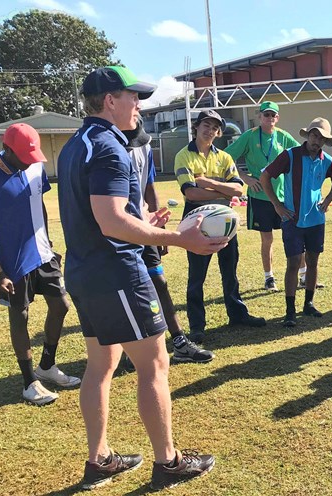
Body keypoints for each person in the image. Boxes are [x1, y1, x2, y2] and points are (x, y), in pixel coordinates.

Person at [58, 65, 217, 490]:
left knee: (102, 364)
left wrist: (143, 217)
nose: (140, 105)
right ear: (110, 100)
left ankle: (100, 459)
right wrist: (177, 237)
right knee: (155, 364)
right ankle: (168, 462)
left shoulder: (78, 144)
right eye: (133, 96)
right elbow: (110, 222)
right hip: (117, 272)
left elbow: (101, 214)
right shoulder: (110, 147)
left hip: (85, 271)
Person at [0, 123, 80, 406]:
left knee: (61, 305)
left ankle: (47, 365)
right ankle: (29, 381)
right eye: (24, 155)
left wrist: (48, 243)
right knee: (19, 316)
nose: (30, 161)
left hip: (43, 254)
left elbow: (39, 205)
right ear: (6, 149)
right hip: (13, 263)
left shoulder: (35, 168)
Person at [123, 119, 215, 364]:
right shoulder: (110, 146)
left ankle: (179, 341)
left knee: (158, 282)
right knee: (126, 286)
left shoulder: (143, 145)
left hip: (144, 224)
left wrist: (158, 225)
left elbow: (149, 185)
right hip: (119, 229)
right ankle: (131, 348)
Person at [175, 110, 267, 344]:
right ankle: (197, 326)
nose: (210, 130)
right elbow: (191, 192)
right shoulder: (184, 155)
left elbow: (238, 190)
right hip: (196, 219)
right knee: (197, 274)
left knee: (230, 268)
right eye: (206, 125)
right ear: (196, 127)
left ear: (218, 133)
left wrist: (205, 181)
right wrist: (220, 189)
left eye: (215, 128)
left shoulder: (225, 157)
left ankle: (237, 314)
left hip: (225, 219)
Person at [260, 117, 332, 327]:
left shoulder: (327, 160)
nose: (317, 141)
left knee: (313, 262)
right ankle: (290, 311)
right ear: (308, 135)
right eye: (315, 135)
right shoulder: (290, 156)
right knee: (294, 263)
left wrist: (327, 201)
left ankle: (309, 304)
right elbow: (265, 177)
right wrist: (277, 205)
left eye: (322, 138)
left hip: (316, 220)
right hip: (293, 220)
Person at [225, 101, 305, 292]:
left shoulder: (283, 137)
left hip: (283, 197)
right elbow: (226, 157)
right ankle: (269, 278)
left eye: (273, 115)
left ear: (277, 118)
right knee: (267, 239)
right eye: (266, 115)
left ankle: (303, 275)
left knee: (294, 236)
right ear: (259, 117)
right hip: (260, 196)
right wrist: (244, 177)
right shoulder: (250, 136)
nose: (269, 118)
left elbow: (301, 155)